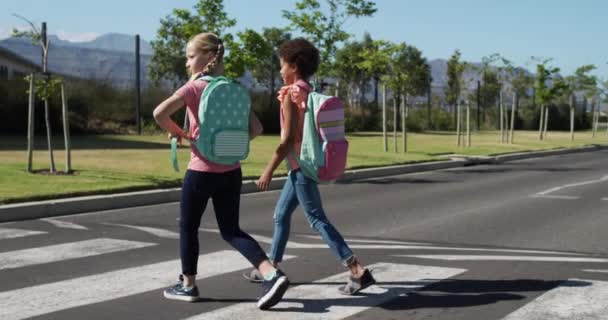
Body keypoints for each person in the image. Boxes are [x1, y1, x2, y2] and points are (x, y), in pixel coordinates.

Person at [153, 32, 288, 310]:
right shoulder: (234, 88)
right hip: (231, 171)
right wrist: (225, 146)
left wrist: (182, 136)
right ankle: (271, 274)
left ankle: (188, 285)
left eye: (190, 56)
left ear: (206, 57)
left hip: (200, 171)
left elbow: (159, 114)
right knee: (232, 230)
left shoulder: (193, 88)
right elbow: (257, 129)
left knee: (188, 226)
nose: (187, 62)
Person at [252, 38, 376, 295]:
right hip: (303, 165)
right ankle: (272, 266)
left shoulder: (290, 95)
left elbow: (286, 141)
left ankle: (357, 270)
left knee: (317, 219)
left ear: (294, 66)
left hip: (301, 167)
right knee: (281, 215)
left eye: (282, 65)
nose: (280, 70)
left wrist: (268, 170)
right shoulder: (309, 92)